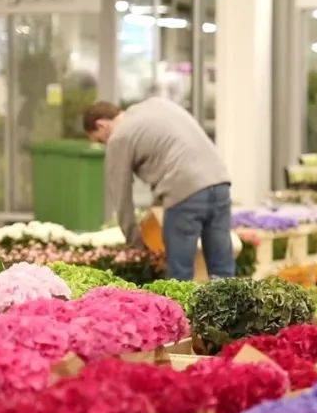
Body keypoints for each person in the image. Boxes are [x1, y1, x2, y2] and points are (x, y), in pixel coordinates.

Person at [83, 98, 234, 280]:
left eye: (100, 140)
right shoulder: (156, 105)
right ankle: (229, 306)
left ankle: (181, 308)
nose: (105, 145)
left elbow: (121, 197)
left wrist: (136, 245)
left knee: (180, 277)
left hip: (184, 189)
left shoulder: (119, 136)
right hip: (220, 181)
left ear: (101, 125)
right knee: (222, 272)